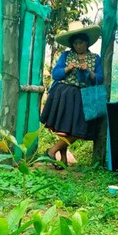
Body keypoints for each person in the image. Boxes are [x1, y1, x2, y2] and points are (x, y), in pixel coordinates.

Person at [40, 21, 103, 168]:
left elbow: (100, 78)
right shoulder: (66, 56)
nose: (78, 46)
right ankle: (62, 159)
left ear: (87, 42)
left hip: (84, 97)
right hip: (65, 94)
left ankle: (52, 150)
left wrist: (89, 71)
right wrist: (67, 69)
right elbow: (56, 74)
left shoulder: (95, 58)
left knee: (79, 128)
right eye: (75, 43)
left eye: (81, 43)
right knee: (66, 126)